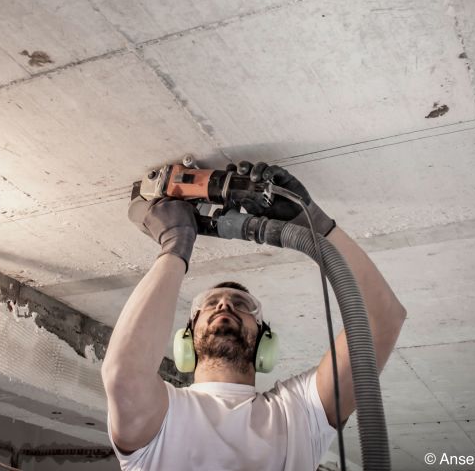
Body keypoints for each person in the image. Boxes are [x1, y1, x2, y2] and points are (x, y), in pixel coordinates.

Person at [102, 161, 406, 470]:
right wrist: (176, 242)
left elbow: (382, 319)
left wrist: (315, 225)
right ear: (186, 339)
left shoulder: (300, 410)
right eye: (211, 304)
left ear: (264, 342)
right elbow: (124, 377)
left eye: (242, 305)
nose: (225, 306)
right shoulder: (166, 413)